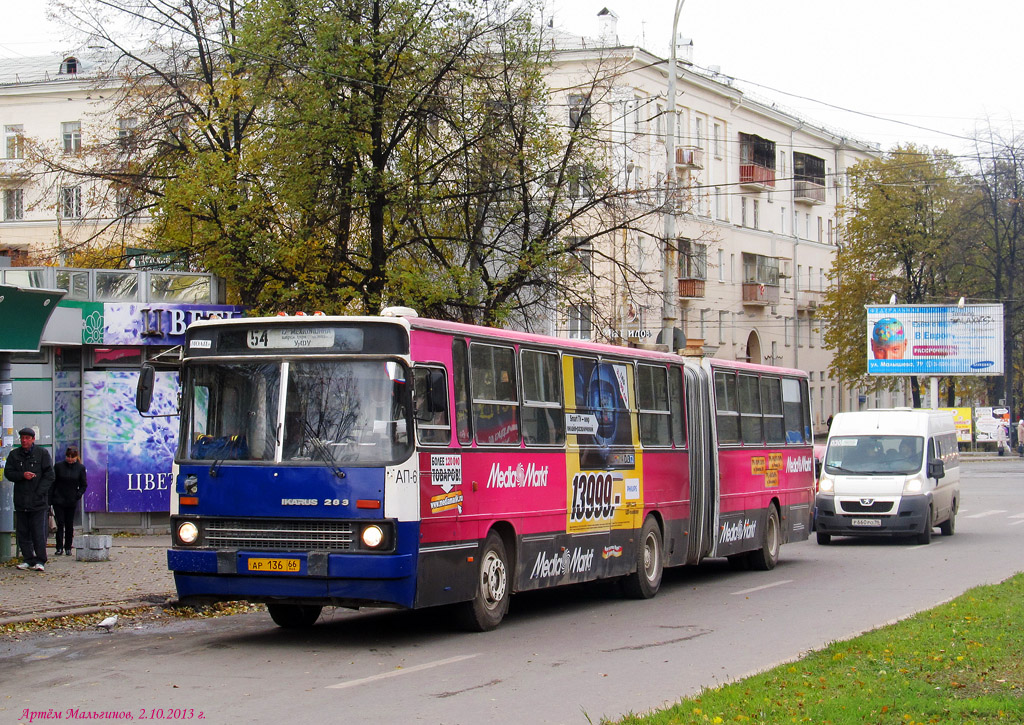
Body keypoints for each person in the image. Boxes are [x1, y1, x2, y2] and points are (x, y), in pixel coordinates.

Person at [3, 427, 55, 572]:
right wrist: (22, 475)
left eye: (27, 438)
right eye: (22, 438)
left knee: (38, 532)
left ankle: (40, 560)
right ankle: (27, 559)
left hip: (38, 501)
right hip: (21, 501)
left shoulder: (42, 454)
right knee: (23, 532)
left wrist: (39, 492)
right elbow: (8, 473)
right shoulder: (14, 455)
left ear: (33, 439)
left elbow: (49, 475)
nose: (24, 441)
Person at [51, 446, 88, 556]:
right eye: (68, 457)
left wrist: (78, 495)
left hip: (71, 499)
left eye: (72, 457)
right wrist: (51, 498)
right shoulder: (58, 466)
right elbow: (53, 483)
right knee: (60, 523)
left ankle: (68, 547)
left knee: (69, 523)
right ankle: (59, 547)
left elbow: (83, 484)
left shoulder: (80, 468)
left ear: (76, 457)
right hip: (59, 499)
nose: (70, 459)